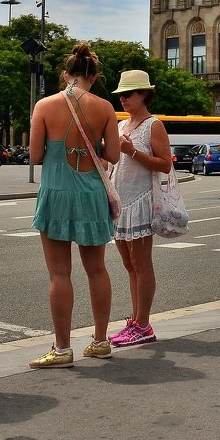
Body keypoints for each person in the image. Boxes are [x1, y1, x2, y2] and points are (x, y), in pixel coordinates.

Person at [28, 42, 121, 368]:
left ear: (66, 74)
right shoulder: (105, 108)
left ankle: (63, 347)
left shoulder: (44, 106)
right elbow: (112, 155)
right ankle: (99, 340)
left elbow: (36, 156)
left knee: (59, 275)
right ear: (93, 76)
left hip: (56, 191)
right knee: (97, 269)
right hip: (92, 194)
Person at [107, 70, 172, 347]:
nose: (123, 99)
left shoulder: (153, 125)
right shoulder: (122, 125)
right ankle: (135, 320)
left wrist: (132, 151)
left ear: (144, 94)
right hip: (121, 202)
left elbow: (165, 164)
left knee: (142, 264)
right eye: (120, 95)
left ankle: (143, 324)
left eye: (128, 94)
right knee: (129, 264)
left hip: (142, 200)